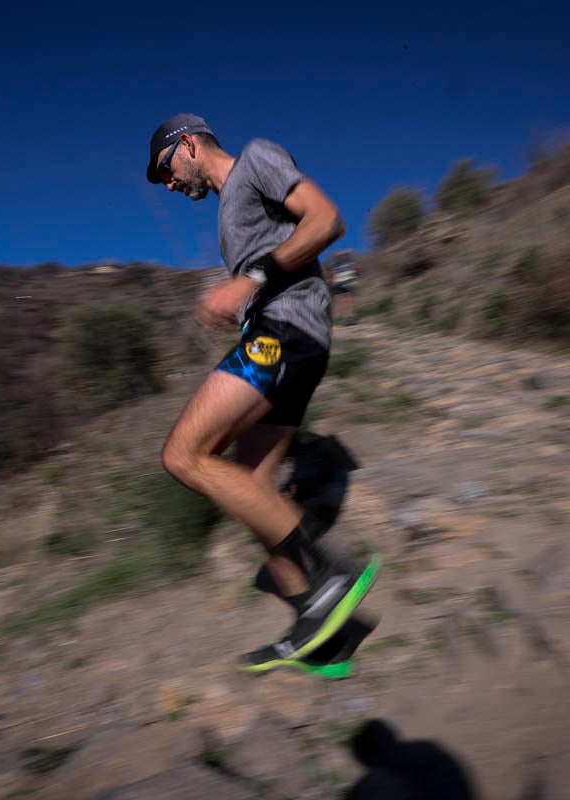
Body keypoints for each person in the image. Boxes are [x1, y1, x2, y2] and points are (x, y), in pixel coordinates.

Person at [145, 113, 379, 671]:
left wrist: (246, 285)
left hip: (287, 333)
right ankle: (322, 629)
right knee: (251, 489)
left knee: (183, 455)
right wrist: (241, 301)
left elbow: (326, 221)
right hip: (279, 334)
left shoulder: (256, 159)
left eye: (166, 170)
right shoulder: (231, 210)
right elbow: (269, 266)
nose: (171, 185)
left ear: (190, 144)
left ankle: (330, 575)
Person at [327, 248, 360, 324]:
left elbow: (350, 251)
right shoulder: (333, 264)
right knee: (340, 301)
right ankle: (341, 318)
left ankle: (349, 317)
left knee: (349, 301)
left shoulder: (349, 262)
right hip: (338, 284)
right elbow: (336, 254)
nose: (342, 255)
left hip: (348, 283)